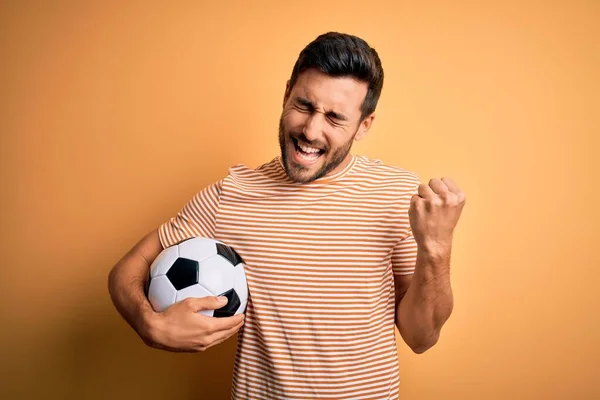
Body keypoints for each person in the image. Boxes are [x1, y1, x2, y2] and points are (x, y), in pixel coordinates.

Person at [108, 31, 466, 400]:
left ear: (364, 125)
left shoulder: (396, 195)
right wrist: (147, 322)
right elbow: (127, 269)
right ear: (285, 95)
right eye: (304, 105)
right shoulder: (231, 195)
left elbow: (421, 338)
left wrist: (436, 248)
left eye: (334, 118)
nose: (311, 130)